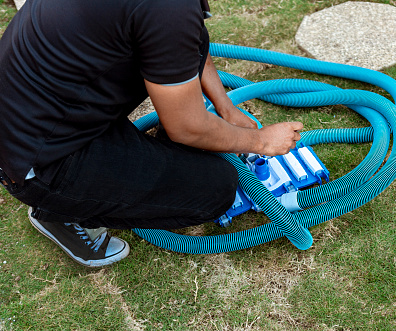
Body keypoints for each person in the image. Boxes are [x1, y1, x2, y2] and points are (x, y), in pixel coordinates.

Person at [0, 0, 303, 267]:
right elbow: (187, 127)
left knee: (190, 147)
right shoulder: (168, 8)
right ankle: (59, 212)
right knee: (217, 188)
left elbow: (191, 39)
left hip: (46, 119)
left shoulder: (171, 10)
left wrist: (225, 107)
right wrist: (261, 141)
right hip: (41, 161)